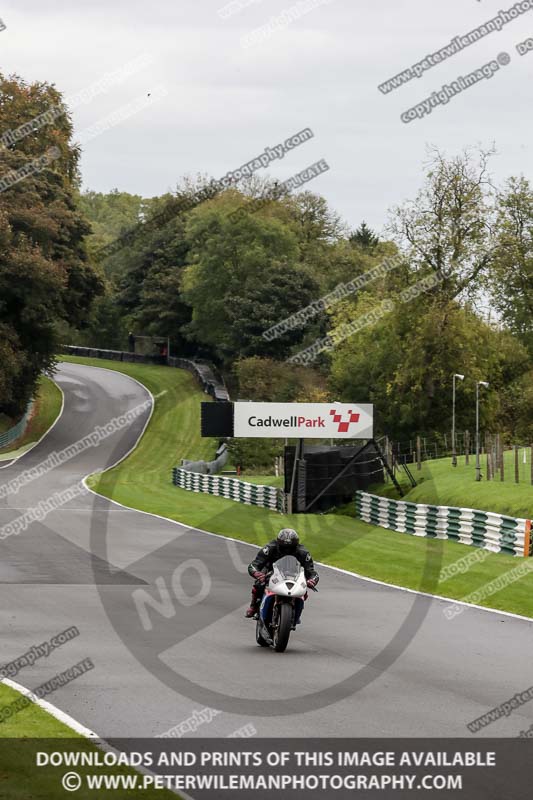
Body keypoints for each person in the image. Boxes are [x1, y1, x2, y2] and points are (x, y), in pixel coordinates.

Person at [245, 528, 319, 623]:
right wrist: (257, 573)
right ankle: (253, 606)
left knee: (303, 590)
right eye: (284, 548)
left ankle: (296, 612)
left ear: (296, 545)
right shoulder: (269, 548)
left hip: (293, 575)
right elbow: (254, 564)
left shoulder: (303, 552)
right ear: (278, 543)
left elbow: (311, 571)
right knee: (259, 584)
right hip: (271, 572)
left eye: (290, 548)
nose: (287, 550)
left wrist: (312, 580)